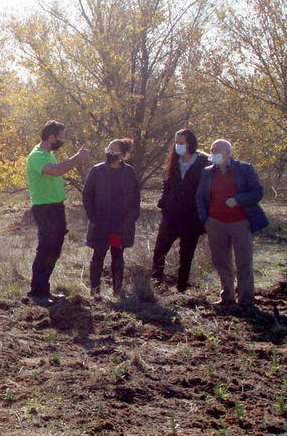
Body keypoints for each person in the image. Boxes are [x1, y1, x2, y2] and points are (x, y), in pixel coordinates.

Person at [26, 120, 93, 305]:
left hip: (55, 207)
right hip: (45, 208)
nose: (62, 141)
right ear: (51, 137)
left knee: (54, 250)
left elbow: (57, 169)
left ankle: (44, 289)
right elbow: (55, 172)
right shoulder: (37, 155)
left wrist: (76, 157)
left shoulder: (48, 154)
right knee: (46, 249)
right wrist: (77, 157)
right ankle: (37, 292)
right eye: (61, 137)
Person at [195, 139, 269, 309]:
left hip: (240, 222)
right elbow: (200, 196)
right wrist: (205, 219)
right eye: (212, 150)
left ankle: (246, 299)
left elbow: (257, 192)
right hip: (215, 223)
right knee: (221, 261)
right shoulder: (207, 172)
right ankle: (227, 296)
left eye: (218, 150)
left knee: (244, 261)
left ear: (229, 153)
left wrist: (238, 200)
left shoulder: (245, 169)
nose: (213, 153)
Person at [151, 129, 211, 293]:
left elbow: (208, 189)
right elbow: (168, 184)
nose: (178, 146)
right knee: (159, 250)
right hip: (171, 215)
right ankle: (155, 284)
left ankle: (181, 288)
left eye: (181, 142)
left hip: (192, 217)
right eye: (176, 142)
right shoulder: (174, 161)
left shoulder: (204, 162)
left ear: (190, 143)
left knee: (186, 255)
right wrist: (163, 203)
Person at [82, 138, 140, 298]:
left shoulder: (129, 172)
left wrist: (132, 216)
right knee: (98, 254)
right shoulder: (97, 171)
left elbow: (136, 196)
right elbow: (87, 194)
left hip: (118, 225)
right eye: (108, 148)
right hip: (101, 224)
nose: (109, 152)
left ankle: (117, 291)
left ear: (122, 154)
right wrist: (92, 216)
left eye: (114, 150)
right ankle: (95, 291)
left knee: (117, 254)